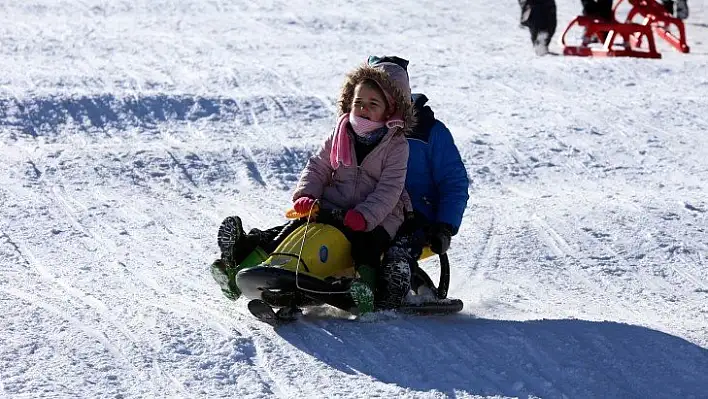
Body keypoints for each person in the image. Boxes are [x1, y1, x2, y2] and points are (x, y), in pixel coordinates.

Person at [212, 56, 415, 314]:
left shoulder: (397, 146)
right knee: (292, 231)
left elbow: (390, 189)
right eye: (358, 103)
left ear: (391, 109)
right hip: (334, 206)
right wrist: (306, 196)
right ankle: (236, 271)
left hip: (378, 216)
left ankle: (366, 290)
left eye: (372, 104)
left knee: (366, 245)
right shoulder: (341, 133)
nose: (363, 110)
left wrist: (365, 216)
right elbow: (319, 166)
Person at [369, 59, 470, 310]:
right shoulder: (363, 126)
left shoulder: (430, 132)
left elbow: (453, 181)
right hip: (370, 208)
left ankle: (395, 286)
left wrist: (445, 226)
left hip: (417, 216)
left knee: (397, 249)